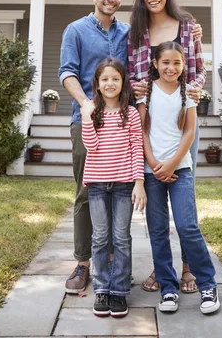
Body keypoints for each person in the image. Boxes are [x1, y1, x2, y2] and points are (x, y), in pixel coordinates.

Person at [127, 0, 206, 293]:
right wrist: (137, 87)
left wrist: (194, 92)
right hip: (149, 117)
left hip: (182, 117)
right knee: (157, 204)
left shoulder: (188, 26)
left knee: (185, 198)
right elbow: (131, 72)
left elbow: (199, 70)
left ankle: (188, 268)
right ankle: (162, 271)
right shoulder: (136, 31)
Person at [58, 0, 129, 294]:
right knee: (86, 193)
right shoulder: (76, 30)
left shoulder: (128, 32)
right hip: (84, 121)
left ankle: (111, 262)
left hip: (121, 124)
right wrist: (87, 104)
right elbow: (67, 72)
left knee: (118, 193)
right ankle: (83, 264)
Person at [138, 42, 219, 315]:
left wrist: (172, 164)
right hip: (152, 172)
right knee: (158, 231)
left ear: (184, 65)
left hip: (181, 169)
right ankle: (168, 287)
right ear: (155, 64)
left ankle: (207, 284)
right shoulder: (145, 93)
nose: (171, 68)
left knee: (188, 227)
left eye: (176, 63)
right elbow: (143, 132)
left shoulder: (189, 94)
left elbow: (190, 133)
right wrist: (154, 164)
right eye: (165, 62)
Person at [81, 58, 146, 318]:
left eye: (115, 79)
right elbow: (91, 146)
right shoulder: (93, 111)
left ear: (123, 83)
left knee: (121, 237)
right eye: (105, 79)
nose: (110, 83)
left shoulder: (129, 113)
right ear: (97, 83)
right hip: (96, 184)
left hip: (123, 185)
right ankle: (102, 288)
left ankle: (118, 290)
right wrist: (86, 117)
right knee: (99, 238)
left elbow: (136, 149)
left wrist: (139, 183)